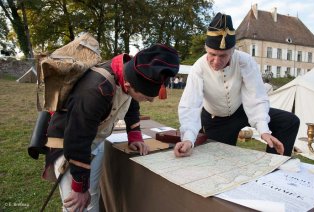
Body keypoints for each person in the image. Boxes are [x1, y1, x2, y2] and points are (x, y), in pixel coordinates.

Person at [45, 44, 179, 211]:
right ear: (129, 86)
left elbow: (131, 103)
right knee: (76, 206)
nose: (150, 101)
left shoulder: (127, 75)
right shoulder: (95, 90)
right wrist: (79, 187)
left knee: (92, 197)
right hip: (68, 145)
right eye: (146, 97)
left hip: (93, 139)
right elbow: (77, 138)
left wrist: (135, 135)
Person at [174, 12, 300, 158]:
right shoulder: (198, 68)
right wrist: (189, 139)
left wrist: (264, 131)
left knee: (289, 121)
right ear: (206, 49)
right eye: (212, 54)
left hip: (242, 111)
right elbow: (190, 104)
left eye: (223, 56)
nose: (216, 61)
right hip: (216, 119)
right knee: (221, 160)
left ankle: (274, 163)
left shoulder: (245, 61)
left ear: (233, 51)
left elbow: (256, 96)